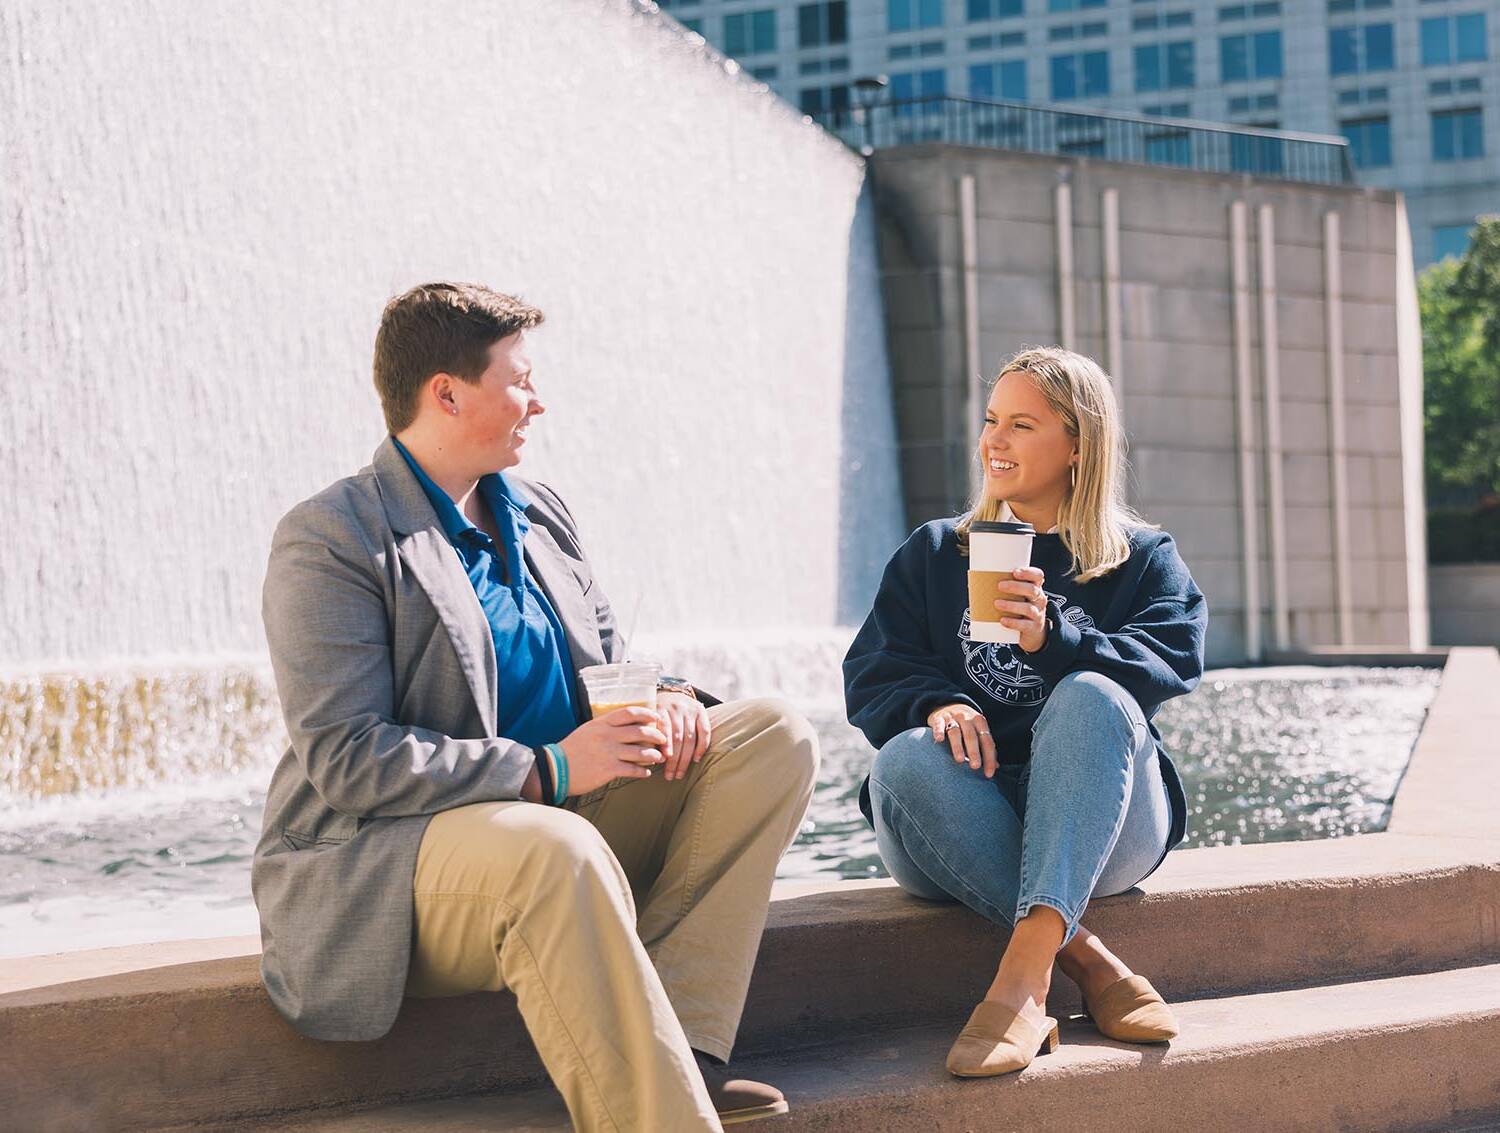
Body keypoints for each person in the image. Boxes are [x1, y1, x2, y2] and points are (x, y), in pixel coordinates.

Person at [252, 282, 818, 1130]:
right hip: (394, 863)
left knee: (774, 733)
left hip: (564, 822)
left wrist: (663, 697)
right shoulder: (335, 535)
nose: (538, 401)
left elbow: (605, 663)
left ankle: (678, 1055)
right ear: (446, 392)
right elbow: (345, 755)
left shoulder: (539, 512)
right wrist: (544, 769)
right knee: (552, 845)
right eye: (520, 380)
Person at [843, 346, 1206, 1077]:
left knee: (1093, 694)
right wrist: (935, 700)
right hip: (957, 823)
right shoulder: (936, 551)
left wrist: (1055, 638)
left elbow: (1170, 664)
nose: (993, 441)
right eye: (990, 420)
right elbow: (870, 672)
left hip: (1105, 826)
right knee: (904, 755)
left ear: (1078, 444)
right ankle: (1086, 958)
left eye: (1021, 425)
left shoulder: (1142, 557)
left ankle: (1020, 984)